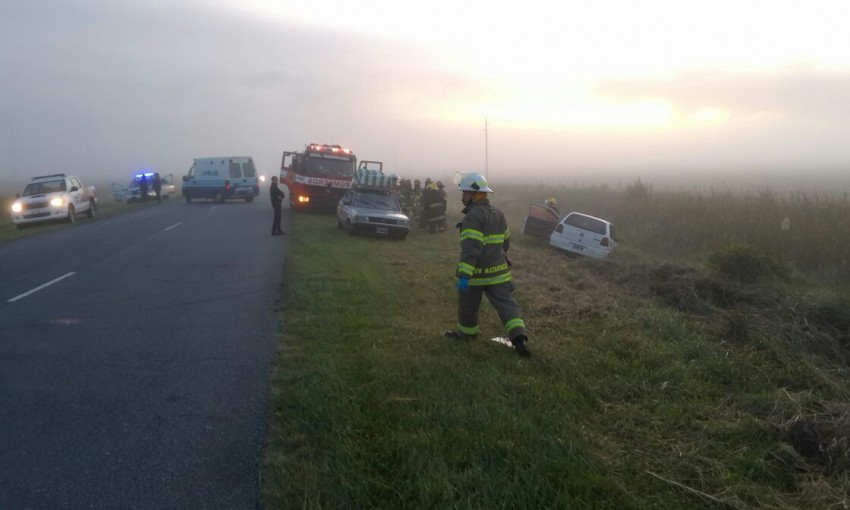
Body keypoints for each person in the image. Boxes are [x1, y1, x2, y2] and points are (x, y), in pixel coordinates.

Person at [444, 172, 530, 357]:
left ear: (475, 194)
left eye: (465, 192)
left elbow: (470, 251)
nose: (462, 196)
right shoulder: (498, 213)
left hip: (476, 275)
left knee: (468, 306)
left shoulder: (472, 217)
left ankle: (467, 334)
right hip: (499, 273)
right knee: (507, 305)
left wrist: (464, 277)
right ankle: (519, 339)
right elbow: (505, 243)